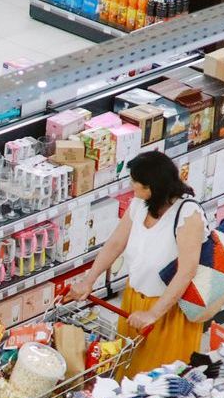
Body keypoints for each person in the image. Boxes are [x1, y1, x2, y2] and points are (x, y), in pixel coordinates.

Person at [68, 150, 206, 374]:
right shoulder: (139, 205)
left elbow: (187, 271)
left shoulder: (187, 213)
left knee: (157, 381)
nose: (131, 185)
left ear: (152, 187)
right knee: (127, 371)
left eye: (135, 182)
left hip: (168, 311)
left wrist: (153, 314)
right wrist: (89, 280)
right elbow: (115, 244)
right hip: (134, 304)